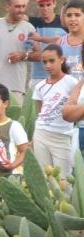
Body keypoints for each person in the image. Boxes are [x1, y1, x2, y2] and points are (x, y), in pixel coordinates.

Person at [32, 44, 78, 177]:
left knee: (63, 177)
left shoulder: (72, 82)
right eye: (44, 62)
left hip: (62, 136)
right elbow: (39, 112)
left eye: (52, 61)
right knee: (45, 176)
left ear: (62, 59)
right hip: (41, 134)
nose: (48, 65)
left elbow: (76, 108)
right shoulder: (40, 87)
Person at [23, 0, 66, 93]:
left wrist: (41, 39)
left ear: (54, 4)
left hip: (60, 76)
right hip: (37, 76)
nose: (45, 8)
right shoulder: (34, 22)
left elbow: (61, 40)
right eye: (41, 5)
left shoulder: (63, 23)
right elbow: (18, 13)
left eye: (48, 4)